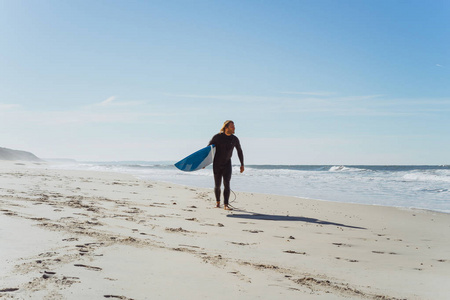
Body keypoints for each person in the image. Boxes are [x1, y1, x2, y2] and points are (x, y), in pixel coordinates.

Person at [208, 120, 244, 210]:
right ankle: (217, 202)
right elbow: (208, 149)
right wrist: (204, 162)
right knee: (217, 185)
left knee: (227, 184)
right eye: (232, 126)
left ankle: (226, 204)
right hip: (217, 164)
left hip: (227, 163)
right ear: (226, 127)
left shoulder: (234, 139)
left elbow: (239, 151)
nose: (234, 128)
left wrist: (242, 164)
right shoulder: (217, 137)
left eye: (234, 126)